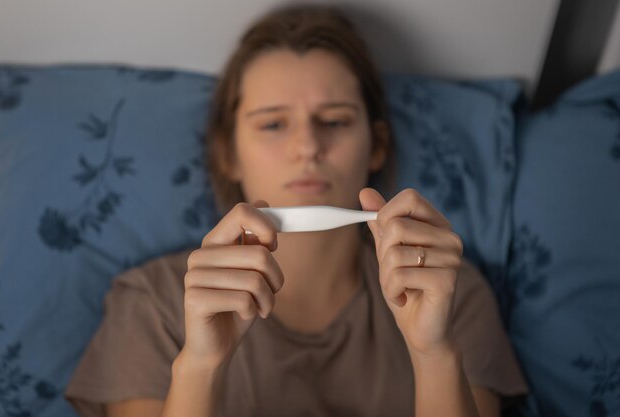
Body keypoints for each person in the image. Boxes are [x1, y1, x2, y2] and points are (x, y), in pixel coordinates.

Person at [65, 4, 528, 417]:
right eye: (272, 124)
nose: (307, 147)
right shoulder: (154, 304)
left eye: (334, 121)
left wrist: (434, 354)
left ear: (377, 147)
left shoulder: (448, 292)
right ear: (228, 152)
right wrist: (200, 368)